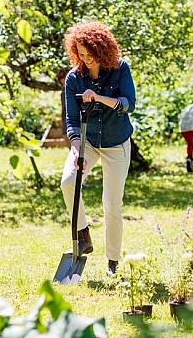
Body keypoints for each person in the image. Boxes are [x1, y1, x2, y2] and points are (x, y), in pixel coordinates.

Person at [60, 20, 136, 275]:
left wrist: (99, 97)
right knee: (68, 181)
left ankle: (113, 262)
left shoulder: (120, 69)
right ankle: (82, 234)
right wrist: (76, 148)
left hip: (116, 142)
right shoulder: (74, 78)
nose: (86, 59)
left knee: (111, 203)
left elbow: (128, 103)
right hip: (88, 140)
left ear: (102, 49)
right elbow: (71, 120)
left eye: (90, 54)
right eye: (81, 54)